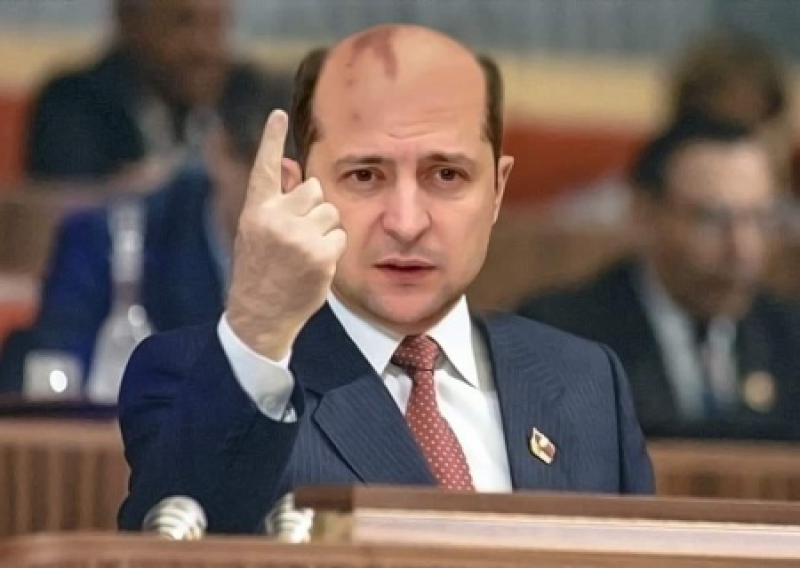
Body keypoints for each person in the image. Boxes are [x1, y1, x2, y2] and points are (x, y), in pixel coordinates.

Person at [117, 24, 653, 534]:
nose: (406, 222)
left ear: (497, 190)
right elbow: (173, 548)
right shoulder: (203, 374)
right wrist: (259, 330)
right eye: (365, 176)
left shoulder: (587, 382)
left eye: (447, 175)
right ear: (296, 193)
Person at [0, 69, 287, 394]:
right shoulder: (107, 241)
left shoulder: (330, 254)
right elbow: (52, 380)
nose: (290, 198)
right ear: (220, 151)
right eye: (276, 175)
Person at [518, 117, 800, 439]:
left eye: (759, 219)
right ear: (645, 214)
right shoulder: (561, 336)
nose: (742, 249)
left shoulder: (790, 337)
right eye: (712, 219)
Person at [25, 0, 290, 185]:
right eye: (184, 23)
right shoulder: (73, 100)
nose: (203, 48)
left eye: (216, 25)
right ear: (129, 22)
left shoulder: (252, 93)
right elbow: (56, 211)